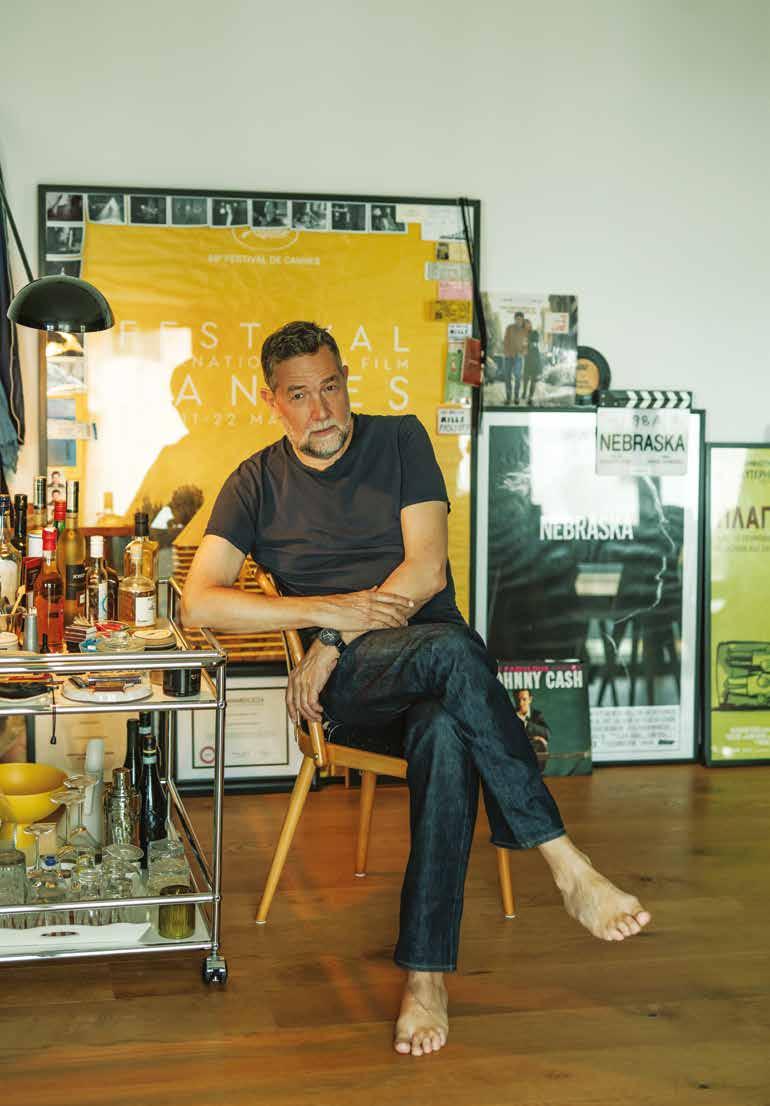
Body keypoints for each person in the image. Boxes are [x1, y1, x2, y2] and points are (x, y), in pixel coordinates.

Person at [181, 320, 651, 1059]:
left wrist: (333, 640)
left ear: (346, 380)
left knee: (444, 725)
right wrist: (324, 613)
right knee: (457, 653)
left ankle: (425, 978)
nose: (321, 410)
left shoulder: (400, 440)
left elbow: (427, 570)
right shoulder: (255, 482)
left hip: (416, 666)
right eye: (299, 396)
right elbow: (199, 602)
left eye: (330, 387)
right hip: (357, 695)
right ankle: (566, 864)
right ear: (271, 400)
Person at [513, 688, 549, 771]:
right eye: (518, 700)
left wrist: (526, 723)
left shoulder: (537, 715)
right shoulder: (511, 714)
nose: (521, 703)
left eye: (524, 699)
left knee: (540, 744)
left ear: (530, 699)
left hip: (533, 754)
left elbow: (547, 733)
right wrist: (534, 738)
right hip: (518, 754)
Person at [502, 311, 528, 404]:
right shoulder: (509, 328)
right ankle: (508, 398)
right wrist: (506, 352)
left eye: (520, 319)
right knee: (507, 377)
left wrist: (523, 353)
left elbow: (526, 345)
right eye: (517, 319)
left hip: (518, 357)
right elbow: (505, 341)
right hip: (508, 356)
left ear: (522, 320)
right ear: (514, 319)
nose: (518, 321)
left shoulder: (525, 331)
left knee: (518, 377)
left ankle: (516, 397)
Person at [522, 318, 543, 404]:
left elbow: (535, 343)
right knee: (526, 377)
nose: (527, 326)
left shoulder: (534, 332)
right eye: (525, 324)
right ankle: (524, 392)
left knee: (533, 379)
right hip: (527, 358)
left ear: (530, 325)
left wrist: (527, 343)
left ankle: (530, 397)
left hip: (535, 358)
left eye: (528, 324)